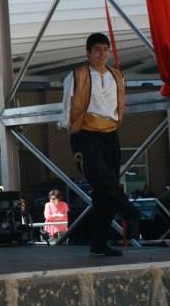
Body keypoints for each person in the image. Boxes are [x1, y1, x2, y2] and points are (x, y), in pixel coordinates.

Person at [60, 33, 140, 256]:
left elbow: (117, 105)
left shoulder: (116, 75)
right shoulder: (77, 75)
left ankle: (99, 242)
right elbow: (67, 103)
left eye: (106, 49)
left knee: (105, 191)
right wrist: (71, 128)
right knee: (99, 177)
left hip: (110, 133)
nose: (102, 54)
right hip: (86, 132)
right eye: (97, 50)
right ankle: (130, 211)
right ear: (88, 52)